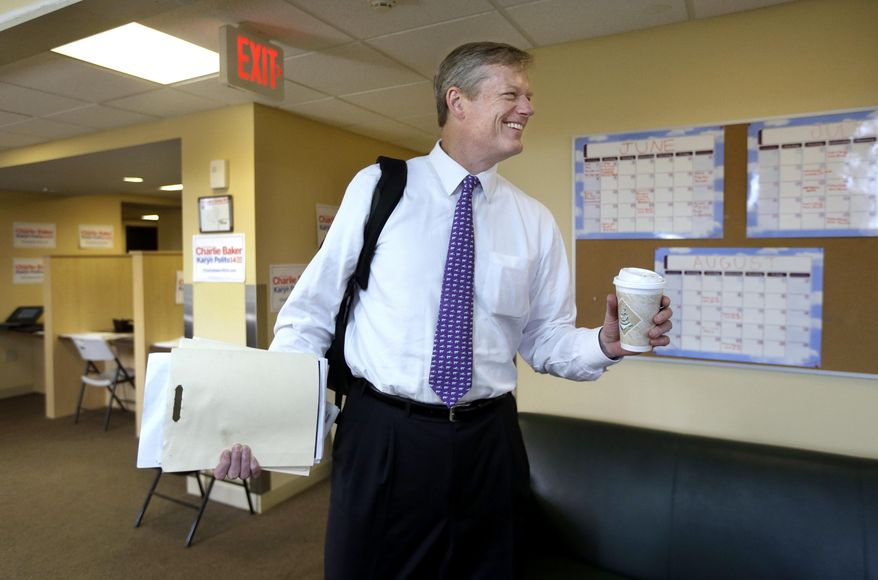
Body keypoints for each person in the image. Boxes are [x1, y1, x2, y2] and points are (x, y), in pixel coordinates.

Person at [215, 41, 672, 578]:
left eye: (529, 96)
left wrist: (604, 343)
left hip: (489, 444)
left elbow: (546, 342)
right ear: (458, 102)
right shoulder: (381, 189)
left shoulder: (535, 222)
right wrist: (268, 419)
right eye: (512, 94)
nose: (528, 107)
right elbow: (308, 316)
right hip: (385, 437)